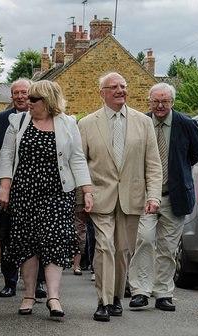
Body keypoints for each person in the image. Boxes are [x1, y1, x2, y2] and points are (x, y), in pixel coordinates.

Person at [0, 80, 93, 318]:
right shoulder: (17, 121)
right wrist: (4, 187)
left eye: (33, 99)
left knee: (55, 243)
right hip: (25, 192)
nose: (27, 103)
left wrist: (87, 190)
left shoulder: (68, 123)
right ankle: (29, 294)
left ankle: (53, 297)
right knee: (28, 243)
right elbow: (7, 154)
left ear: (48, 101)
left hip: (58, 193)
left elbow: (77, 158)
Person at [78, 72, 162, 322]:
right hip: (100, 196)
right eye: (113, 87)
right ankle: (103, 301)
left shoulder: (143, 123)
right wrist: (85, 192)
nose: (120, 90)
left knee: (123, 251)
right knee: (104, 247)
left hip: (132, 198)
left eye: (123, 86)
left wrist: (154, 196)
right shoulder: (87, 123)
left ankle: (116, 296)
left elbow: (154, 164)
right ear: (101, 92)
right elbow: (80, 162)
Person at [127, 83, 198, 312]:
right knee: (144, 240)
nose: (160, 106)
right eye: (156, 101)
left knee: (168, 247)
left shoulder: (186, 124)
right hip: (145, 196)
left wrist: (176, 173)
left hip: (174, 196)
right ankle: (140, 290)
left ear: (172, 102)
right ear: (148, 101)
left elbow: (195, 153)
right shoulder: (140, 122)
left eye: (165, 101)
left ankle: (163, 293)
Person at [0, 78, 47, 298]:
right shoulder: (1, 119)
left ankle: (39, 282)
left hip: (37, 190)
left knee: (40, 236)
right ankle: (10, 281)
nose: (21, 97)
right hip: (9, 190)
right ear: (11, 96)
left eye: (25, 92)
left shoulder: (45, 116)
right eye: (16, 93)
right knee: (9, 235)